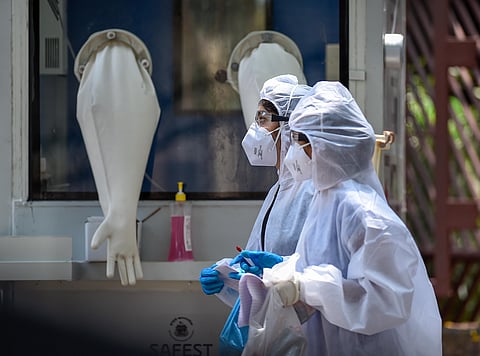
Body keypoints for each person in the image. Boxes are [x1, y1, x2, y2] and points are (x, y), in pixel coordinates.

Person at [232, 81, 442, 355]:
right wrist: (283, 271)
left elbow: (387, 301)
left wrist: (305, 286)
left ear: (324, 145)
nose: (292, 151)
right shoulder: (326, 200)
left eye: (299, 140)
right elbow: (321, 262)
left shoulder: (363, 212)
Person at [199, 74, 314, 307]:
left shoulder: (312, 191)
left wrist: (280, 265)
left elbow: (322, 272)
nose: (255, 129)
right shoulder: (279, 190)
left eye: (262, 118)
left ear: (289, 125)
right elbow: (255, 271)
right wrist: (228, 274)